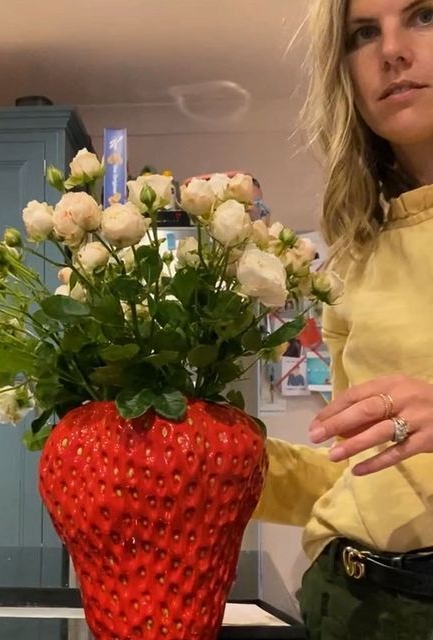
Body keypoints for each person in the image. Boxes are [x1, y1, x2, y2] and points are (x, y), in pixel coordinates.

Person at [254, 0, 433, 637]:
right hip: (345, 601)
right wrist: (223, 458)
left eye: (424, 15)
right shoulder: (357, 254)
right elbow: (359, 469)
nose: (392, 50)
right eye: (363, 33)